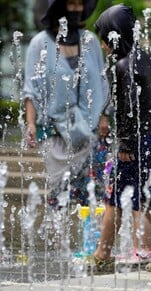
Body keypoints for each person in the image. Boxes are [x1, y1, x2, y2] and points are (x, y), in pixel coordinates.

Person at [91, 4, 151, 273]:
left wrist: (126, 143)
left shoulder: (123, 65)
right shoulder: (143, 57)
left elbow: (128, 107)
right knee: (144, 197)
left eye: (105, 39)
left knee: (115, 197)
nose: (105, 46)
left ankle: (103, 256)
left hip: (136, 142)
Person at [24, 0, 109, 208]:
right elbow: (30, 90)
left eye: (80, 4)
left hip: (91, 134)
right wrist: (31, 124)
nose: (76, 9)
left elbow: (103, 81)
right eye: (71, 4)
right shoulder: (39, 44)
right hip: (56, 135)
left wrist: (105, 115)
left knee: (95, 197)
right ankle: (62, 241)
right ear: (58, 8)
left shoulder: (90, 42)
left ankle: (91, 240)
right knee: (59, 197)